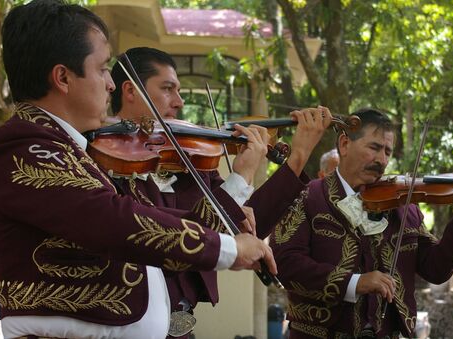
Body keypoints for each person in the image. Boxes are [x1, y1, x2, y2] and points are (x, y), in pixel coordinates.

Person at [0, 1, 277, 338]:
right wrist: (228, 249)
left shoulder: (62, 147)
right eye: (103, 69)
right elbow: (112, 220)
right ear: (63, 77)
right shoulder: (27, 148)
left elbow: (147, 228)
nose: (110, 84)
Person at [107, 47, 331, 336]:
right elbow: (176, 236)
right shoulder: (106, 163)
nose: (180, 101)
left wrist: (298, 156)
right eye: (167, 89)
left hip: (181, 327)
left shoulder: (189, 161)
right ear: (130, 90)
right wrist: (240, 176)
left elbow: (241, 228)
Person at [270, 108, 453, 338]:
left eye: (388, 151)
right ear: (345, 144)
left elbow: (436, 269)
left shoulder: (405, 206)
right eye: (374, 148)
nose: (382, 160)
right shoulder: (306, 196)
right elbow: (286, 264)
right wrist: (355, 283)